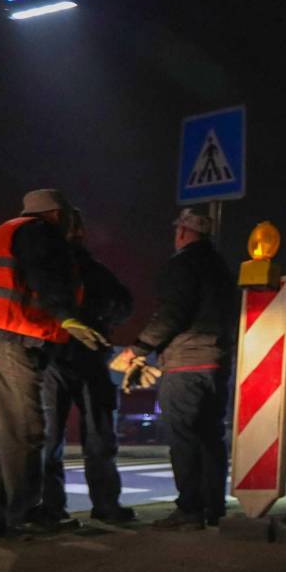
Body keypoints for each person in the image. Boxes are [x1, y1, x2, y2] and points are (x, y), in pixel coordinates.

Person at [0, 189, 103, 539]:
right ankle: (27, 514)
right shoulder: (39, 232)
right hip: (0, 338)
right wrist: (67, 317)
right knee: (25, 429)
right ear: (57, 214)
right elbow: (45, 274)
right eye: (71, 217)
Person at [113, 206, 236, 531]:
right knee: (211, 436)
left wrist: (138, 350)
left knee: (183, 437)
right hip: (217, 363)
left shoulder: (182, 264)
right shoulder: (221, 268)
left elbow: (171, 313)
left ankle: (189, 510)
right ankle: (214, 506)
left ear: (182, 233)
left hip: (185, 363)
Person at [37, 207, 136, 524]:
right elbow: (123, 305)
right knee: (94, 436)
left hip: (56, 357)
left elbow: (122, 303)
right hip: (84, 357)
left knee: (50, 439)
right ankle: (105, 506)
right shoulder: (93, 269)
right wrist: (100, 320)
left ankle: (52, 508)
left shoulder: (51, 266)